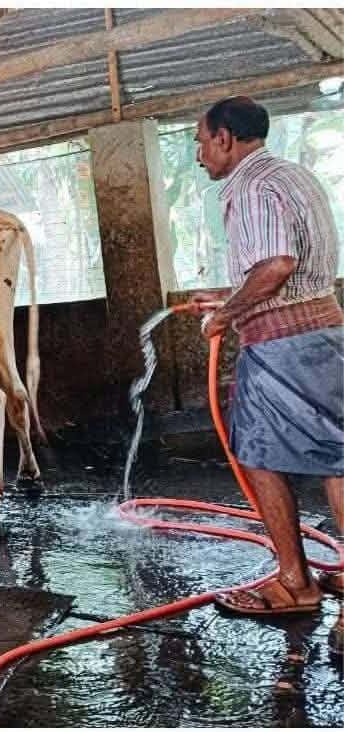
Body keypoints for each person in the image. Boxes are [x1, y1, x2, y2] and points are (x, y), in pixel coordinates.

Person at [189, 96, 343, 656]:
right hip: (324, 329)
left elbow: (277, 265)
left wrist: (225, 314)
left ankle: (296, 585)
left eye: (201, 142)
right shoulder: (294, 175)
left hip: (283, 344)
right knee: (330, 454)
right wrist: (232, 296)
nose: (199, 155)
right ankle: (311, 578)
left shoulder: (250, 185)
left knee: (262, 451)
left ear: (225, 138)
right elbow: (287, 268)